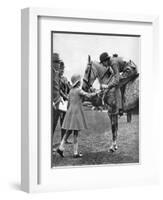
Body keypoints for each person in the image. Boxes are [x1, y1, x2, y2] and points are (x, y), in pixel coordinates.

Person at [56, 74, 99, 158]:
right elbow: (88, 95)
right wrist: (96, 92)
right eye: (79, 81)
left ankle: (61, 147)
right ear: (78, 82)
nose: (80, 82)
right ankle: (75, 153)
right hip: (76, 113)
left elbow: (68, 102)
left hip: (70, 112)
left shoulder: (71, 91)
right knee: (75, 133)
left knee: (69, 131)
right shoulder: (78, 90)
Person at [52, 54, 71, 149]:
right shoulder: (56, 77)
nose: (62, 71)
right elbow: (58, 90)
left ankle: (64, 139)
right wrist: (66, 96)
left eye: (63, 69)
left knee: (64, 122)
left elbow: (69, 87)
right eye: (61, 69)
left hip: (65, 104)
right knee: (54, 122)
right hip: (59, 102)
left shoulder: (65, 79)